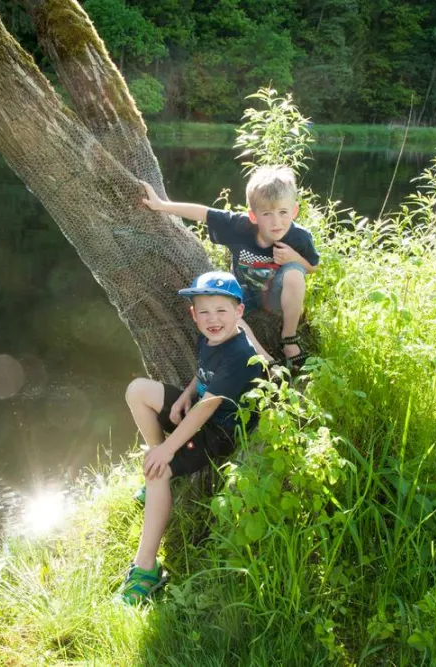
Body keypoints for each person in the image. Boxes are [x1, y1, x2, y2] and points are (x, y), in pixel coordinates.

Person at [118, 271, 264, 605]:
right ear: (193, 314)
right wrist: (186, 394)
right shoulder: (210, 336)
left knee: (157, 473)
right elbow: (203, 375)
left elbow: (207, 409)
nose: (213, 319)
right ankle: (159, 461)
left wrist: (169, 449)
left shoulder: (240, 354)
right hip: (198, 411)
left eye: (221, 311)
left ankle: (146, 571)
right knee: (137, 389)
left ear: (239, 311)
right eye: (204, 312)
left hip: (220, 432)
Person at [140, 165, 319, 367]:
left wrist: (294, 257)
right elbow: (204, 213)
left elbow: (312, 266)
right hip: (246, 293)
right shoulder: (240, 226)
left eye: (283, 212)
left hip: (277, 297)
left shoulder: (299, 237)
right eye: (267, 214)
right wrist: (161, 205)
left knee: (295, 273)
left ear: (294, 211)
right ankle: (269, 363)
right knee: (225, 312)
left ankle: (289, 339)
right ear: (253, 216)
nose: (276, 222)